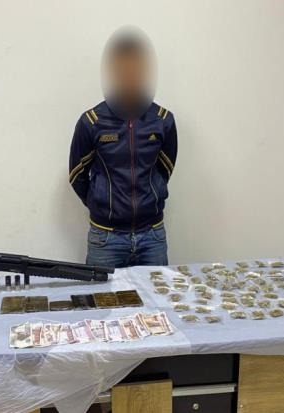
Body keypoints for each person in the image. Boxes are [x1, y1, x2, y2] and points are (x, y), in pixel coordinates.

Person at [69, 27, 178, 268]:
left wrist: (150, 197)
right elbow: (77, 176)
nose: (130, 75)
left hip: (152, 237)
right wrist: (101, 204)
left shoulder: (162, 120)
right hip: (106, 239)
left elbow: (164, 170)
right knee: (101, 295)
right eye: (123, 69)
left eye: (136, 69)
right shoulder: (91, 122)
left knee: (158, 294)